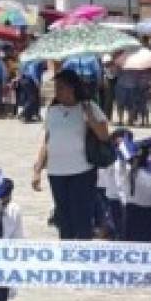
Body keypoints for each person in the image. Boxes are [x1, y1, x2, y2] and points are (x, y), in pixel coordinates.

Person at [32, 69, 110, 240]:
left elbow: (104, 136)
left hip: (81, 171)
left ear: (73, 87)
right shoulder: (52, 110)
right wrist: (38, 169)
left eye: (61, 87)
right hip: (56, 172)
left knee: (82, 218)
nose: (57, 91)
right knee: (63, 218)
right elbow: (47, 140)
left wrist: (90, 117)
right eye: (56, 87)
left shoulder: (89, 107)